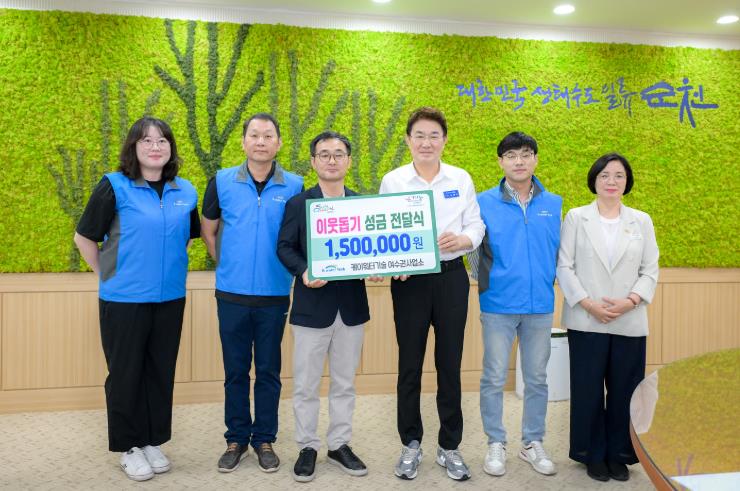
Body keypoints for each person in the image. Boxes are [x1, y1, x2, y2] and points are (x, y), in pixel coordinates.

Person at [74, 117, 200, 481]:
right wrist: (109, 275)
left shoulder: (185, 190)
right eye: (146, 141)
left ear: (171, 148)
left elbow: (186, 238)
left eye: (162, 141)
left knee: (160, 371)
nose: (155, 147)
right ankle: (129, 447)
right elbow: (84, 238)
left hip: (170, 297)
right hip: (124, 299)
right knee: (126, 373)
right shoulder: (114, 186)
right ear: (133, 147)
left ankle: (151, 440)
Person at [379, 107, 485, 482]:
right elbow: (382, 230)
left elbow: (476, 224)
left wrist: (464, 239)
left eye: (434, 135)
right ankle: (411, 443)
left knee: (449, 364)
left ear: (444, 140)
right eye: (419, 135)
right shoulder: (393, 180)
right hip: (409, 281)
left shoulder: (460, 178)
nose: (427, 142)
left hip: (451, 277)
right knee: (409, 364)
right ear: (408, 140)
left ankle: (449, 446)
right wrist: (394, 262)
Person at [201, 113, 303, 473]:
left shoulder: (295, 185)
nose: (261, 141)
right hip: (231, 295)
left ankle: (264, 439)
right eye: (254, 135)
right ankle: (236, 439)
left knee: (269, 371)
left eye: (268, 135)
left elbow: (300, 237)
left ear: (278, 143)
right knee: (235, 371)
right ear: (244, 141)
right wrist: (229, 264)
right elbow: (209, 230)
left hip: (274, 295)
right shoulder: (221, 181)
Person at [278, 131, 380, 482]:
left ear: (349, 161)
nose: (332, 160)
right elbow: (284, 247)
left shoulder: (362, 205)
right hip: (311, 309)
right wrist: (304, 270)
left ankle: (339, 444)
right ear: (313, 161)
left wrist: (376, 267)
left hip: (351, 309)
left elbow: (372, 249)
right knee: (306, 385)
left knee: (344, 383)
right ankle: (307, 446)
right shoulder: (299, 203)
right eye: (324, 154)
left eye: (338, 154)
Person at [556, 153, 659, 482]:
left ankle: (620, 453)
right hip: (587, 318)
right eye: (604, 175)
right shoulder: (576, 217)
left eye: (618, 176)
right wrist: (589, 304)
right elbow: (564, 266)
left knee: (625, 390)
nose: (611, 181)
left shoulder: (641, 220)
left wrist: (630, 301)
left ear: (627, 182)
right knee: (587, 389)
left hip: (629, 318)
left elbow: (650, 269)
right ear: (594, 180)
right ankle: (591, 454)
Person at [474, 131, 562, 478]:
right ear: (500, 162)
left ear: (535, 159)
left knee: (537, 378)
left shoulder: (553, 203)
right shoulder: (483, 202)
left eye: (526, 154)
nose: (519, 161)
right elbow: (474, 252)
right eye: (511, 155)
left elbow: (558, 250)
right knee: (494, 377)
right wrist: (488, 283)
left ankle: (532, 442)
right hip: (497, 304)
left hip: (540, 305)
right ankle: (495, 442)